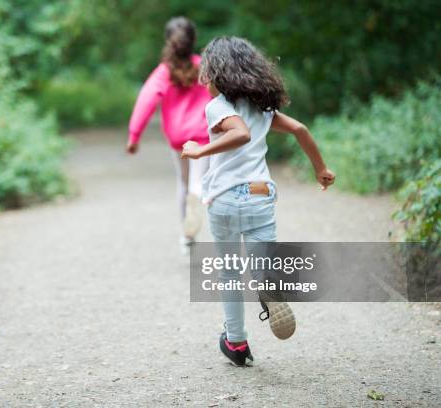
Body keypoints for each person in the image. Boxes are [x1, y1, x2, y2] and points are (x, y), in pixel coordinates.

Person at [181, 36, 335, 366]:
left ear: (217, 74)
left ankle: (235, 342)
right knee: (261, 267)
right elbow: (300, 129)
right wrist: (320, 168)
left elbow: (240, 134)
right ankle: (268, 286)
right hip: (259, 196)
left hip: (224, 199)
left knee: (229, 272)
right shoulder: (263, 109)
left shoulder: (218, 106)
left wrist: (200, 150)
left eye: (205, 74)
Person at [127, 17, 212, 253]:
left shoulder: (163, 72)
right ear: (193, 40)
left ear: (168, 41)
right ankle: (195, 209)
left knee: (182, 182)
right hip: (202, 134)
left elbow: (145, 101)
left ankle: (186, 237)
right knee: (197, 181)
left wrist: (134, 136)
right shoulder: (204, 66)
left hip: (177, 137)